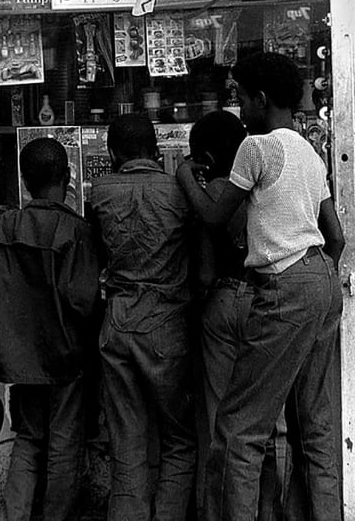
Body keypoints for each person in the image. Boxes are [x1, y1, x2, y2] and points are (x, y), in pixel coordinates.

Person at [176, 52, 345, 521]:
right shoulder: (308, 151)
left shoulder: (257, 147)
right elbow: (337, 236)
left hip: (285, 286)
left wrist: (186, 177)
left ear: (261, 99)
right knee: (313, 425)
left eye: (241, 98)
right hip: (322, 280)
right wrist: (314, 277)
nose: (239, 108)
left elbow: (214, 216)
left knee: (237, 430)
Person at [0, 137, 100, 521]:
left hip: (22, 357)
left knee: (29, 439)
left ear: (25, 181)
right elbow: (83, 302)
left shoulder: (4, 227)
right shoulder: (74, 231)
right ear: (66, 178)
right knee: (64, 444)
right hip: (67, 356)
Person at [88, 113, 197, 521]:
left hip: (117, 319)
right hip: (167, 321)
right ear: (156, 151)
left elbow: (97, 252)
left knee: (127, 443)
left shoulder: (100, 191)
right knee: (180, 441)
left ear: (112, 153)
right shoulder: (178, 191)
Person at [189, 110, 283, 521]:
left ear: (206, 157)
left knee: (219, 420)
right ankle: (268, 510)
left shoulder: (213, 194)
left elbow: (207, 273)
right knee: (266, 422)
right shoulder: (263, 185)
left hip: (225, 300)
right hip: (267, 300)